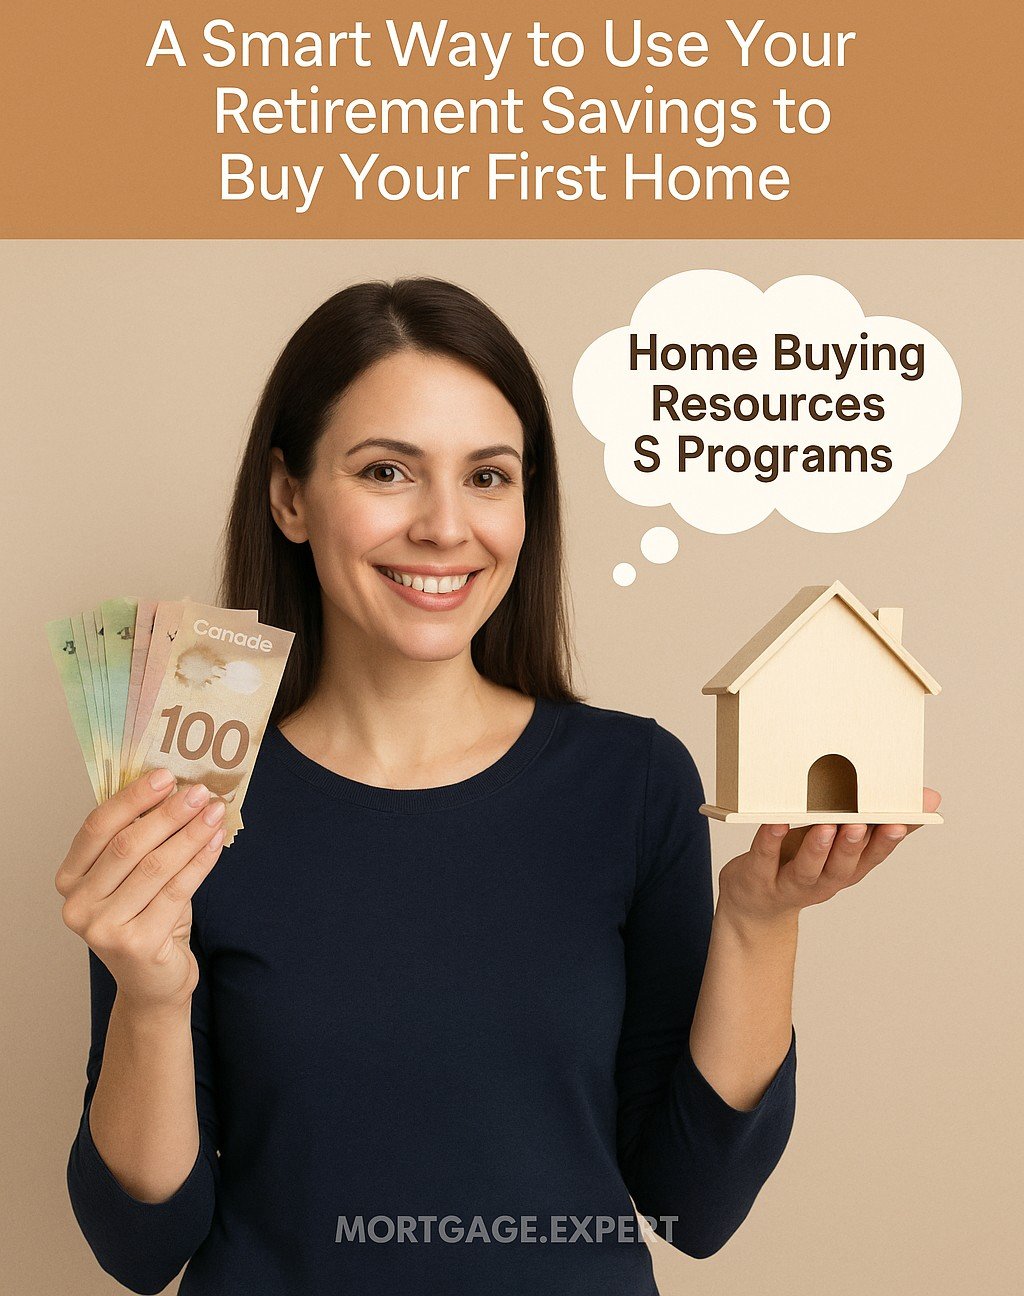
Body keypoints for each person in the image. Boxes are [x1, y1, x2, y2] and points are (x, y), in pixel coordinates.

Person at [55, 278, 939, 1295]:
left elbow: (691, 1207)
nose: (444, 526)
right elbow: (141, 1249)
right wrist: (152, 999)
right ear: (289, 496)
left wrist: (757, 920)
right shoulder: (184, 806)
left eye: (488, 477)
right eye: (388, 470)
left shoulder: (634, 783)